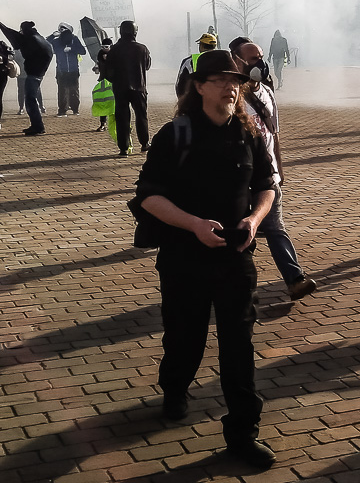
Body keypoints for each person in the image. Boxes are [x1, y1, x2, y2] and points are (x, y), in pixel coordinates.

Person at [134, 49, 278, 469]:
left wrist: (253, 220)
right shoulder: (175, 134)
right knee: (185, 338)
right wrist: (195, 225)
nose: (231, 88)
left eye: (237, 81)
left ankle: (243, 433)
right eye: (221, 80)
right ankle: (175, 387)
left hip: (236, 257)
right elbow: (148, 197)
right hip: (184, 258)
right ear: (199, 87)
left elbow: (267, 186)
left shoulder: (248, 132)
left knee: (239, 344)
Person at [233, 41, 317, 301]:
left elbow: (274, 134)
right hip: (238, 179)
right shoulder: (232, 95)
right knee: (241, 234)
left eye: (260, 57)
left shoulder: (267, 92)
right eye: (252, 59)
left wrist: (279, 169)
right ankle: (241, 289)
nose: (259, 63)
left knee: (275, 227)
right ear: (236, 61)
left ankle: (295, 279)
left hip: (266, 179)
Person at [102, 20, 151, 154]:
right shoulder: (142, 49)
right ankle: (144, 143)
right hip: (139, 87)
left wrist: (115, 80)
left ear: (121, 32)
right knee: (141, 116)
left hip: (120, 88)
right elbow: (147, 66)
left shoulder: (114, 50)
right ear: (135, 32)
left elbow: (108, 72)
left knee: (122, 118)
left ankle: (123, 148)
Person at [15, 22, 54, 136]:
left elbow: (27, 54)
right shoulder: (39, 38)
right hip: (38, 73)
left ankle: (38, 127)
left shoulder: (32, 40)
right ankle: (36, 125)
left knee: (30, 100)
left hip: (33, 74)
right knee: (31, 99)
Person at [48, 22, 87, 116]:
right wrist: (52, 36)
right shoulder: (56, 41)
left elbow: (83, 51)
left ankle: (75, 109)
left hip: (73, 69)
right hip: (61, 70)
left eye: (64, 29)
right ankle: (62, 110)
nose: (62, 31)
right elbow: (45, 45)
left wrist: (71, 49)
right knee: (62, 91)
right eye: (60, 29)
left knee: (74, 90)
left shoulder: (74, 39)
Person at [176, 33, 218, 97]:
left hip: (196, 99)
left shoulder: (190, 61)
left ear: (201, 45)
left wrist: (183, 101)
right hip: (216, 99)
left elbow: (180, 84)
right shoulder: (224, 60)